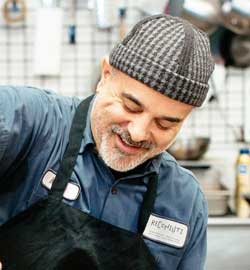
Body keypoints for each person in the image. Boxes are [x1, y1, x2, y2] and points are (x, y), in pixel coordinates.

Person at [0, 14, 214, 270]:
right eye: (131, 106)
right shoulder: (28, 121)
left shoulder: (184, 202)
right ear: (105, 75)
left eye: (164, 124)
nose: (138, 133)